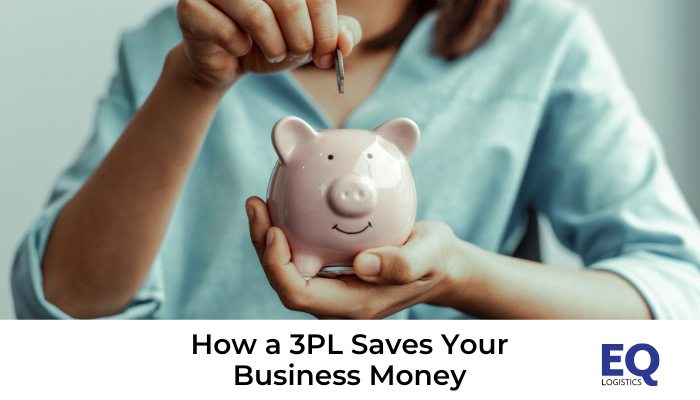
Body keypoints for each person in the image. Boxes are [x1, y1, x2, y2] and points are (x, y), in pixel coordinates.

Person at [11, 0, 700, 319]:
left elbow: (678, 297)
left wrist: (461, 274)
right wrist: (192, 84)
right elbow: (59, 313)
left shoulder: (543, 41)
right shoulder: (173, 46)